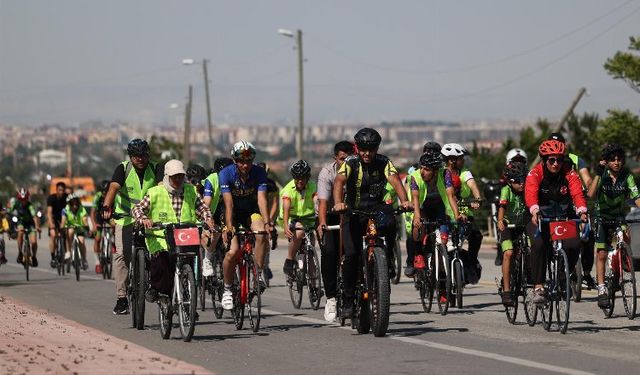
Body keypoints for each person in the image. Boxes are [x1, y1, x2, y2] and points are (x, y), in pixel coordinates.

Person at [333, 128, 411, 317]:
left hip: (376, 209)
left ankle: (388, 258)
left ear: (377, 148)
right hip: (352, 211)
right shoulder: (351, 162)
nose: (367, 154)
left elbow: (395, 180)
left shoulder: (384, 162)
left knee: (391, 221)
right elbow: (339, 181)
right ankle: (349, 300)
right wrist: (338, 203)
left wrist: (405, 200)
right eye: (363, 149)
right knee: (351, 255)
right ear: (357, 148)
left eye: (371, 149)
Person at [132, 159, 214, 302]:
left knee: (188, 262)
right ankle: (160, 291)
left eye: (180, 176)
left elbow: (202, 208)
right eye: (174, 177)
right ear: (167, 177)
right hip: (160, 236)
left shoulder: (191, 190)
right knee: (162, 263)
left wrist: (208, 219)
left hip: (184, 235)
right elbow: (137, 208)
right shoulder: (155, 192)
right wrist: (144, 219)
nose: (178, 180)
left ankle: (188, 300)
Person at [102, 139, 163, 315]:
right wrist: (107, 207)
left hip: (149, 218)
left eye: (143, 155)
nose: (140, 159)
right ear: (130, 157)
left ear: (148, 154)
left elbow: (161, 188)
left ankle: (157, 286)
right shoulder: (123, 168)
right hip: (126, 218)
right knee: (122, 255)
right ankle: (121, 298)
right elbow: (113, 188)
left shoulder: (156, 168)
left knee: (160, 251)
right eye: (136, 156)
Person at [525, 139, 588, 304]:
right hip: (539, 216)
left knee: (574, 245)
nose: (556, 164)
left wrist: (582, 211)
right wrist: (534, 210)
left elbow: (577, 194)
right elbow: (530, 193)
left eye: (559, 160)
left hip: (563, 216)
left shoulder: (569, 173)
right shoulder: (535, 173)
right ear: (544, 160)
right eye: (551, 160)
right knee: (538, 244)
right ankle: (538, 286)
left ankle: (562, 276)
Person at [219, 141, 273, 310]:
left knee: (262, 233)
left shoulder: (259, 173)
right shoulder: (225, 173)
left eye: (248, 161)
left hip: (250, 211)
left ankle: (257, 273)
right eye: (241, 161)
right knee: (233, 251)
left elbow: (262, 199)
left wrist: (267, 222)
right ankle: (227, 288)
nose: (245, 165)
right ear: (235, 161)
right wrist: (229, 226)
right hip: (231, 214)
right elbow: (228, 204)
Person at [587, 144, 640, 308]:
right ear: (606, 161)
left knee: (626, 238)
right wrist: (597, 173)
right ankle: (602, 288)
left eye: (619, 159)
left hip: (618, 217)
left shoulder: (627, 176)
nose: (616, 162)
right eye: (612, 159)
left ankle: (619, 268)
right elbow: (590, 194)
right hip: (602, 217)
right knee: (601, 253)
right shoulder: (602, 174)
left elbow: (636, 196)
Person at [548, 132, 596, 289]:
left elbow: (586, 178)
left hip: (577, 202)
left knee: (588, 235)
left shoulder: (575, 160)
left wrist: (589, 186)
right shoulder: (548, 162)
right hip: (558, 204)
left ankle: (587, 272)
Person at [316, 140, 354, 321]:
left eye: (350, 159)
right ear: (335, 159)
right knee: (329, 253)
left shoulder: (357, 168)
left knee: (353, 253)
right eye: (342, 159)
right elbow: (323, 201)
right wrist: (322, 223)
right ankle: (331, 297)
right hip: (329, 215)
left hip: (350, 215)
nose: (346, 164)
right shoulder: (327, 173)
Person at [441, 143, 484, 284]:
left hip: (464, 214)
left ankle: (470, 264)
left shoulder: (464, 172)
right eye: (461, 158)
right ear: (451, 160)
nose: (463, 161)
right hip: (444, 215)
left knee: (476, 236)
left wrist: (477, 198)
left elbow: (472, 185)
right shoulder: (441, 173)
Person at [409, 151, 449, 284]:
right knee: (418, 226)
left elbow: (451, 197)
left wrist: (457, 215)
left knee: (443, 243)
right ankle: (419, 253)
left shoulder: (444, 175)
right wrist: (417, 217)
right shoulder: (416, 177)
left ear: (436, 171)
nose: (422, 171)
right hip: (422, 207)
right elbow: (415, 198)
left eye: (426, 169)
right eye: (421, 167)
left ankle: (443, 280)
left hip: (439, 208)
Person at [496, 162, 529, 306]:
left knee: (531, 249)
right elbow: (502, 206)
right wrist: (500, 220)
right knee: (508, 253)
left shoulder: (527, 189)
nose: (522, 184)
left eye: (524, 180)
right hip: (508, 226)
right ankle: (507, 290)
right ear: (510, 182)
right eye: (518, 181)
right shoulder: (506, 190)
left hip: (523, 225)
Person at [281, 160, 317, 276]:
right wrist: (286, 226)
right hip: (291, 217)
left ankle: (313, 285)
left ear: (308, 177)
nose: (300, 180)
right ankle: (290, 259)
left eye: (303, 177)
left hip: (308, 217)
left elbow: (317, 201)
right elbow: (286, 208)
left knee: (311, 247)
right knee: (300, 232)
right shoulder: (288, 189)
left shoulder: (312, 186)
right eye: (297, 178)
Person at [257, 161, 279, 281]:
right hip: (256, 214)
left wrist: (269, 219)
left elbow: (275, 203)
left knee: (265, 238)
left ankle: (266, 265)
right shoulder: (253, 182)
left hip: (268, 214)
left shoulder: (271, 184)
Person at [60, 194, 92, 270]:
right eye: (72, 203)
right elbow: (63, 221)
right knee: (70, 232)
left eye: (76, 202)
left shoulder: (82, 209)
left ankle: (84, 259)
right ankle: (68, 251)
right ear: (69, 203)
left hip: (79, 227)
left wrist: (87, 227)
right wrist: (62, 228)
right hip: (70, 227)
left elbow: (84, 220)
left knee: (82, 241)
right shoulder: (65, 210)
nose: (74, 205)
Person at [11, 188, 42, 266]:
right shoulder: (16, 205)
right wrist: (12, 228)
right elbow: (11, 214)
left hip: (30, 223)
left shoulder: (30, 205)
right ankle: (20, 252)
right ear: (19, 199)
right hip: (20, 222)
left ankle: (34, 256)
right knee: (20, 232)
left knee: (34, 242)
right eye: (21, 199)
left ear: (27, 198)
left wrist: (37, 226)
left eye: (25, 199)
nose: (23, 201)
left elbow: (34, 216)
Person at [47, 181, 68, 268]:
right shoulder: (51, 198)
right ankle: (53, 257)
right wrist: (51, 223)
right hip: (54, 218)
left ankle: (66, 253)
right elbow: (49, 213)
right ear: (56, 190)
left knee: (66, 235)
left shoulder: (67, 198)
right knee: (53, 235)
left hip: (64, 218)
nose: (61, 192)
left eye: (63, 190)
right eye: (59, 190)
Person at [91, 180, 110, 273]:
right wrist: (94, 224)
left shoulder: (113, 195)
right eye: (102, 191)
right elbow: (92, 212)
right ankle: (97, 263)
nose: (104, 194)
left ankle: (113, 242)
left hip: (110, 215)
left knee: (115, 224)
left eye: (105, 191)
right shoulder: (97, 196)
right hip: (99, 216)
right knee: (98, 238)